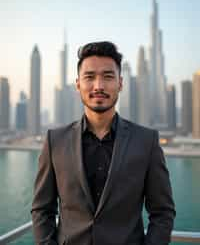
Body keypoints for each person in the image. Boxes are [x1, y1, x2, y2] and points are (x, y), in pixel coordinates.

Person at [31, 41, 176, 245]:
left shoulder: (146, 141)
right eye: (89, 77)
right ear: (78, 84)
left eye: (108, 77)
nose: (98, 86)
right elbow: (41, 209)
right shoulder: (55, 141)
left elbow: (163, 212)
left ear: (120, 83)